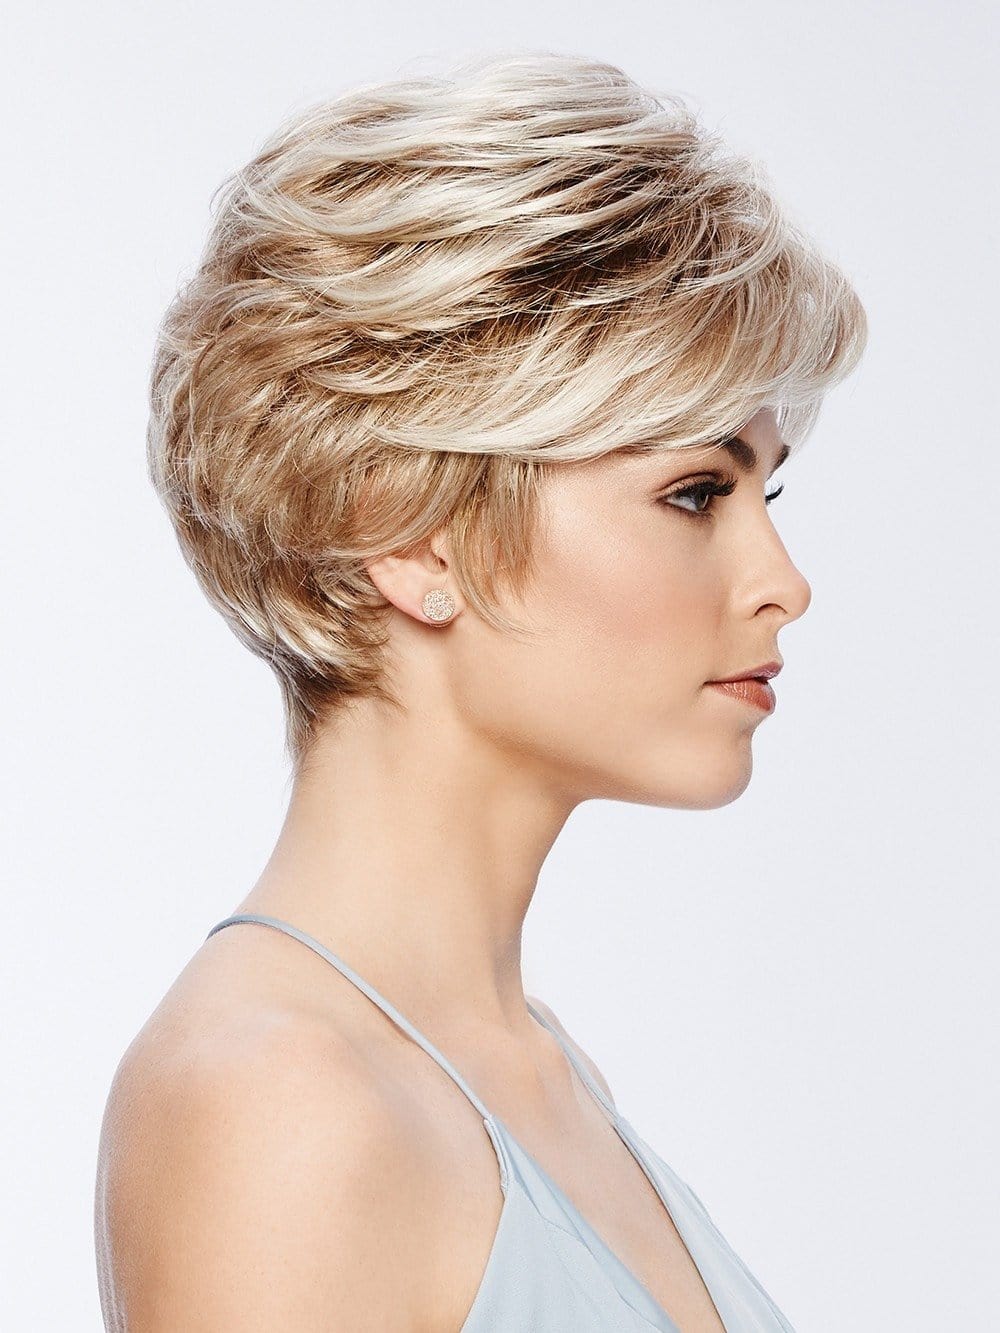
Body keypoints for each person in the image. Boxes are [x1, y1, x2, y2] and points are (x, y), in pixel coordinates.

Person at [95, 50, 867, 1332]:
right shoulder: (280, 1102)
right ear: (405, 533)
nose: (782, 583)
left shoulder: (538, 1075)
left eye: (765, 491)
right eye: (695, 492)